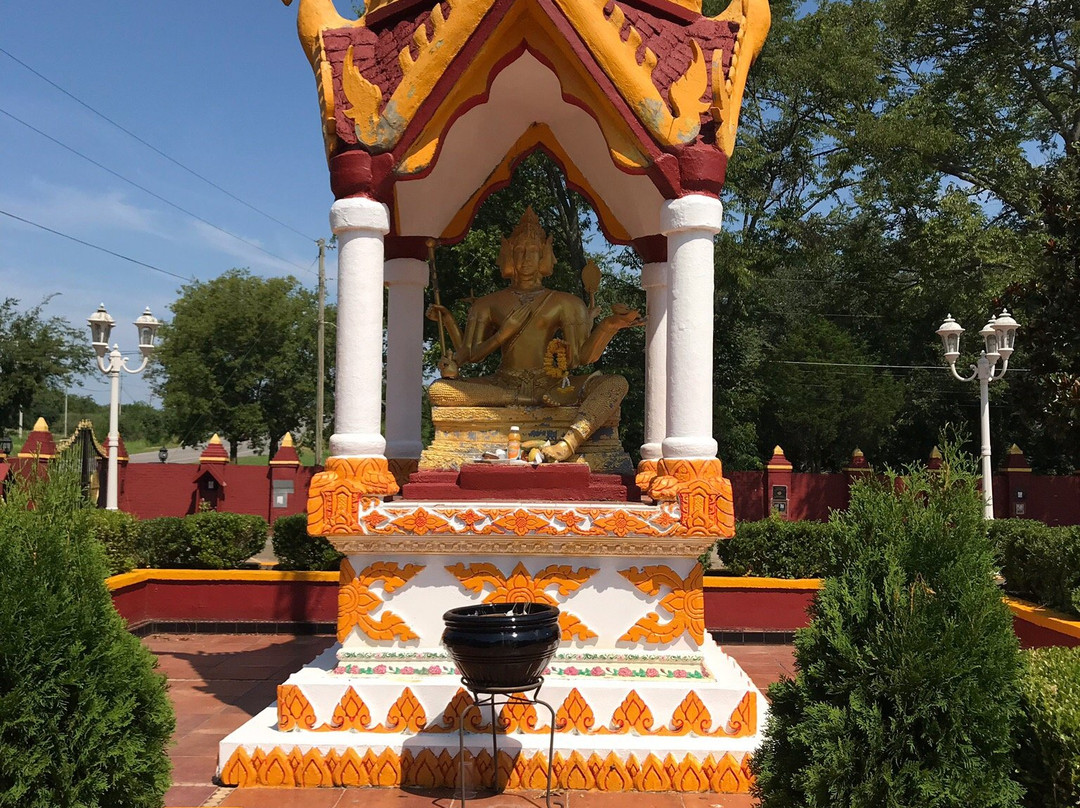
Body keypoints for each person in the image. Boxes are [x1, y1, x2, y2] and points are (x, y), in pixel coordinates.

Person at [426, 208, 641, 462]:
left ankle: (568, 443)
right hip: (503, 385)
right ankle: (522, 399)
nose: (526, 258)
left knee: (616, 383)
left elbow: (582, 358)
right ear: (509, 254)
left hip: (553, 385)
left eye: (533, 251)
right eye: (519, 251)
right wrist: (497, 335)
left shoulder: (565, 303)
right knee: (439, 389)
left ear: (544, 255)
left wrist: (609, 325)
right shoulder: (487, 304)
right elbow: (471, 355)